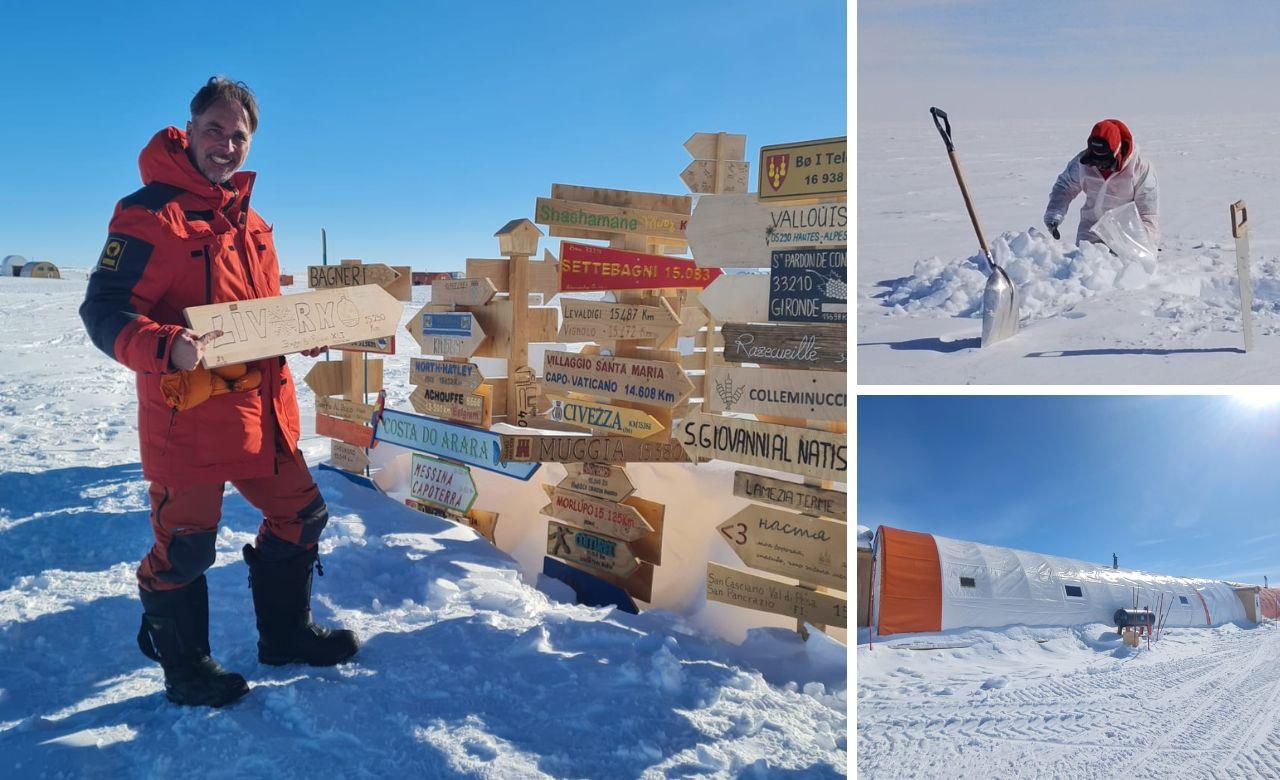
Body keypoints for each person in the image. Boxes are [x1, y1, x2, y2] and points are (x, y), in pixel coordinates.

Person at [80, 77, 358, 708]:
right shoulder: (148, 213)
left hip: (261, 411)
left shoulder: (251, 220)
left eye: (239, 136)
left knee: (302, 517)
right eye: (215, 130)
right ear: (190, 128)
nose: (226, 146)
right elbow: (104, 310)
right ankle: (186, 669)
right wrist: (166, 345)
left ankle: (284, 636)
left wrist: (298, 333)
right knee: (184, 550)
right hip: (190, 418)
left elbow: (258, 313)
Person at [1043, 119, 1159, 247]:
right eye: (1095, 161)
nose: (1100, 166)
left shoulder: (1140, 168)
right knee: (1085, 260)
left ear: (1117, 152)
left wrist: (1145, 245)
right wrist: (1054, 213)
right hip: (1090, 230)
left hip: (1126, 236)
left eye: (1104, 161)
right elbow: (1065, 186)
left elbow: (1147, 213)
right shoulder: (1082, 163)